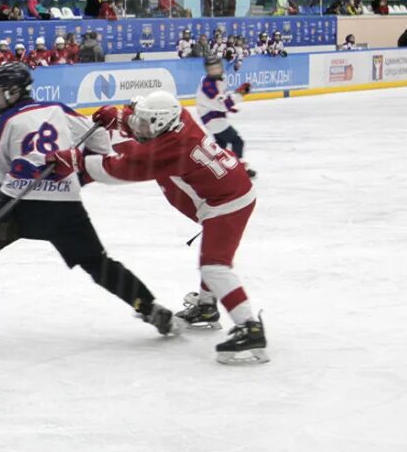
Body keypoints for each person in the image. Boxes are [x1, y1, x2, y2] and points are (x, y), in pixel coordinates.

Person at [0, 64, 175, 339]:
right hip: (64, 206)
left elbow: (4, 173)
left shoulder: (1, 125)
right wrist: (82, 173)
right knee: (97, 262)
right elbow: (99, 137)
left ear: (13, 93)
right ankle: (148, 307)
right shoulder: (58, 109)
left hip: (18, 206)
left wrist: (17, 182)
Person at [69, 92, 266, 363]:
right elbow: (146, 129)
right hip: (224, 194)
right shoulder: (177, 117)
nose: (143, 127)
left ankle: (250, 328)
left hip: (226, 204)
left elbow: (126, 166)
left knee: (215, 266)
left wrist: (76, 162)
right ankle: (208, 307)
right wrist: (119, 119)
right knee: (212, 258)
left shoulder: (174, 146)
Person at [196, 55, 254, 176]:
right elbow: (222, 104)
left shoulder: (220, 79)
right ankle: (238, 169)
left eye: (216, 67)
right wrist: (240, 94)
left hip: (214, 117)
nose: (213, 71)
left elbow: (222, 100)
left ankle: (216, 170)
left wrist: (235, 97)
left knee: (220, 147)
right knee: (237, 141)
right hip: (213, 119)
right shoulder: (208, 86)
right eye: (210, 69)